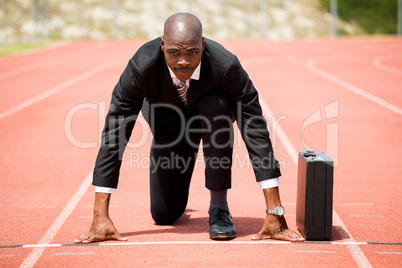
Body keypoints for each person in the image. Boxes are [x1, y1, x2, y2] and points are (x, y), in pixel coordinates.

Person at [74, 12, 304, 244]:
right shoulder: (140, 67)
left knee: (215, 104)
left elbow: (255, 130)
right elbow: (114, 135)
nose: (183, 61)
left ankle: (219, 209)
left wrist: (275, 211)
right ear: (162, 45)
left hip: (213, 118)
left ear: (203, 46)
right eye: (174, 53)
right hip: (168, 124)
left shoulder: (226, 66)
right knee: (164, 215)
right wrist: (99, 215)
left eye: (192, 52)